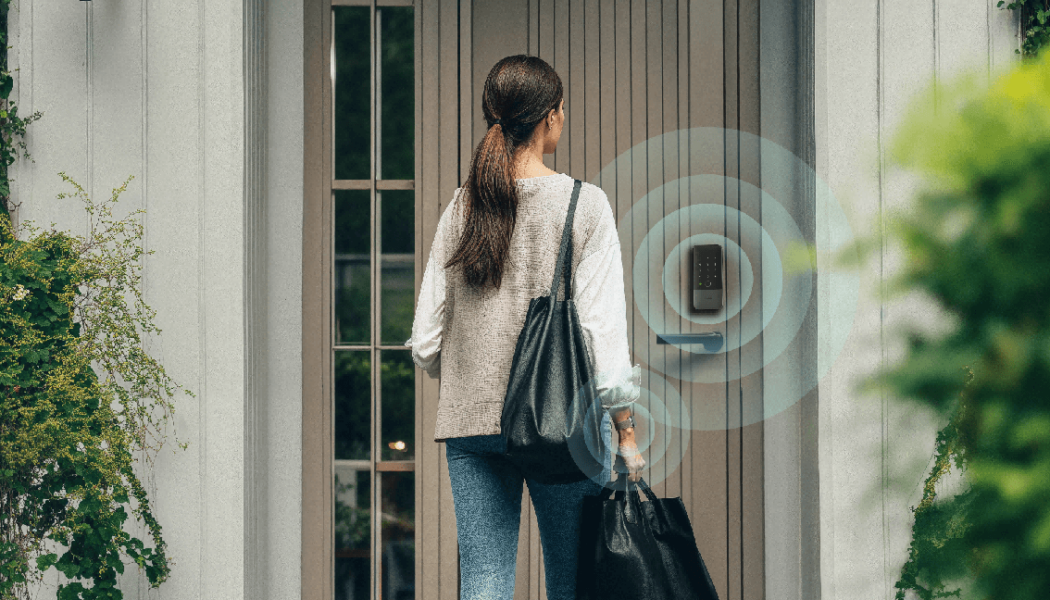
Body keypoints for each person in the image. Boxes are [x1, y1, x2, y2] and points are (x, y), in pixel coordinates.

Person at [405, 54, 645, 600]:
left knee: (485, 583)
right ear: (551, 117)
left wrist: (475, 371)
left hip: (471, 425)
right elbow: (602, 330)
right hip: (562, 424)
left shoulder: (461, 206)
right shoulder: (584, 206)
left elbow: (425, 342)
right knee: (571, 580)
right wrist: (626, 432)